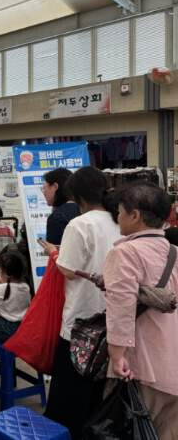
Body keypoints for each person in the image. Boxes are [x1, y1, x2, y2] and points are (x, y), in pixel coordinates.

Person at [43, 166, 122, 438]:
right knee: (100, 393)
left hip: (82, 320)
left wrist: (53, 252)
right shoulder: (119, 219)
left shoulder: (80, 224)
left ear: (76, 196)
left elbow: (67, 269)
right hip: (114, 316)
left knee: (71, 394)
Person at [102, 182, 178, 438]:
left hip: (143, 364)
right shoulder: (174, 252)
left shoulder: (125, 252)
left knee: (135, 429)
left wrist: (116, 354)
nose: (118, 218)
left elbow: (120, 307)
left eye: (120, 212)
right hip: (173, 359)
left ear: (134, 215)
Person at [42, 168, 79, 245]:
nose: (43, 192)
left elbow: (55, 251)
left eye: (44, 188)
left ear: (55, 187)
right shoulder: (85, 210)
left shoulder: (57, 217)